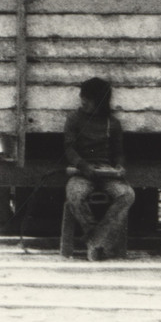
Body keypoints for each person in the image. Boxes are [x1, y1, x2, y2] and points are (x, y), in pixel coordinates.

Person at [62, 75, 133, 261]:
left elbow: (119, 152)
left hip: (106, 171)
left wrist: (119, 166)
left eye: (89, 99)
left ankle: (95, 240)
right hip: (82, 172)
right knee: (75, 195)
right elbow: (69, 149)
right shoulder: (74, 119)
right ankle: (96, 239)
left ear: (101, 101)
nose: (83, 101)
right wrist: (84, 166)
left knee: (127, 195)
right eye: (82, 97)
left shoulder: (113, 123)